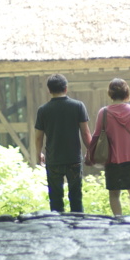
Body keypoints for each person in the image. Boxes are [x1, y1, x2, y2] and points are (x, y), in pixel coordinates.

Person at [87, 78, 130, 216]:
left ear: (110, 93)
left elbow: (96, 136)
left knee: (114, 193)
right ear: (126, 92)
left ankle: (118, 220)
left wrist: (90, 153)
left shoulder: (103, 113)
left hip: (112, 158)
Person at [34, 74, 91, 213]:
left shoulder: (43, 110)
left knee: (55, 198)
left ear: (49, 90)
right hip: (73, 159)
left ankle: (56, 229)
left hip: (53, 160)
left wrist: (38, 153)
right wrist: (91, 151)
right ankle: (77, 228)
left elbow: (38, 137)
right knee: (76, 197)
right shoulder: (78, 106)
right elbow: (85, 133)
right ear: (66, 88)